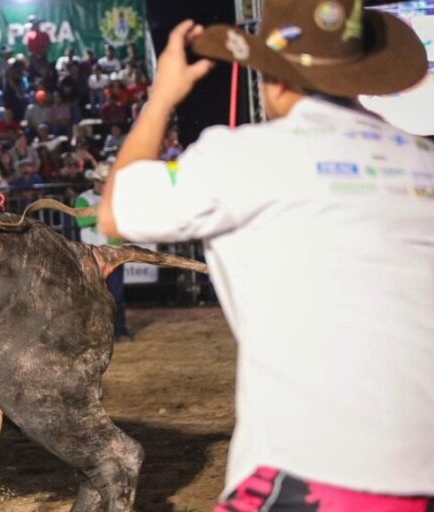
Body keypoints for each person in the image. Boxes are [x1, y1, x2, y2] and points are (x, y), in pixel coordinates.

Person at [98, 3, 433, 509]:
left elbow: (117, 210)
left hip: (314, 472)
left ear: (274, 80)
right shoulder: (421, 160)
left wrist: (163, 95)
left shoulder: (243, 156)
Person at [75, 165, 128, 338]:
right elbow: (82, 221)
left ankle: (119, 330)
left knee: (116, 294)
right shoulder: (85, 198)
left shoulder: (112, 199)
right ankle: (96, 332)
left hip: (110, 253)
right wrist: (106, 213)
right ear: (96, 182)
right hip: (92, 255)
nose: (106, 185)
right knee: (93, 296)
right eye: (103, 182)